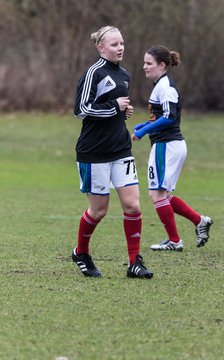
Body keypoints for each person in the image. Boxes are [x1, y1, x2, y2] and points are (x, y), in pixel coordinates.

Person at [71, 26, 153, 278]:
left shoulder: (125, 74)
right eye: (115, 44)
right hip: (93, 151)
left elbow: (114, 109)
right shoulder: (93, 73)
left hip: (120, 148)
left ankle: (134, 262)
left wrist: (123, 112)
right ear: (101, 48)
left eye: (122, 43)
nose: (120, 48)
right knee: (99, 211)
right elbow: (81, 109)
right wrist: (112, 107)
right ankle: (81, 252)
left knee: (133, 206)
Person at [132, 45, 213, 251]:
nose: (145, 67)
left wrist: (144, 131)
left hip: (167, 146)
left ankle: (175, 241)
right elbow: (161, 116)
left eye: (149, 63)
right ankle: (199, 221)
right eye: (144, 63)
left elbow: (169, 118)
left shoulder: (166, 87)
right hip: (168, 145)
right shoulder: (160, 84)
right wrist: (145, 125)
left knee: (157, 195)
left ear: (162, 65)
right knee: (163, 195)